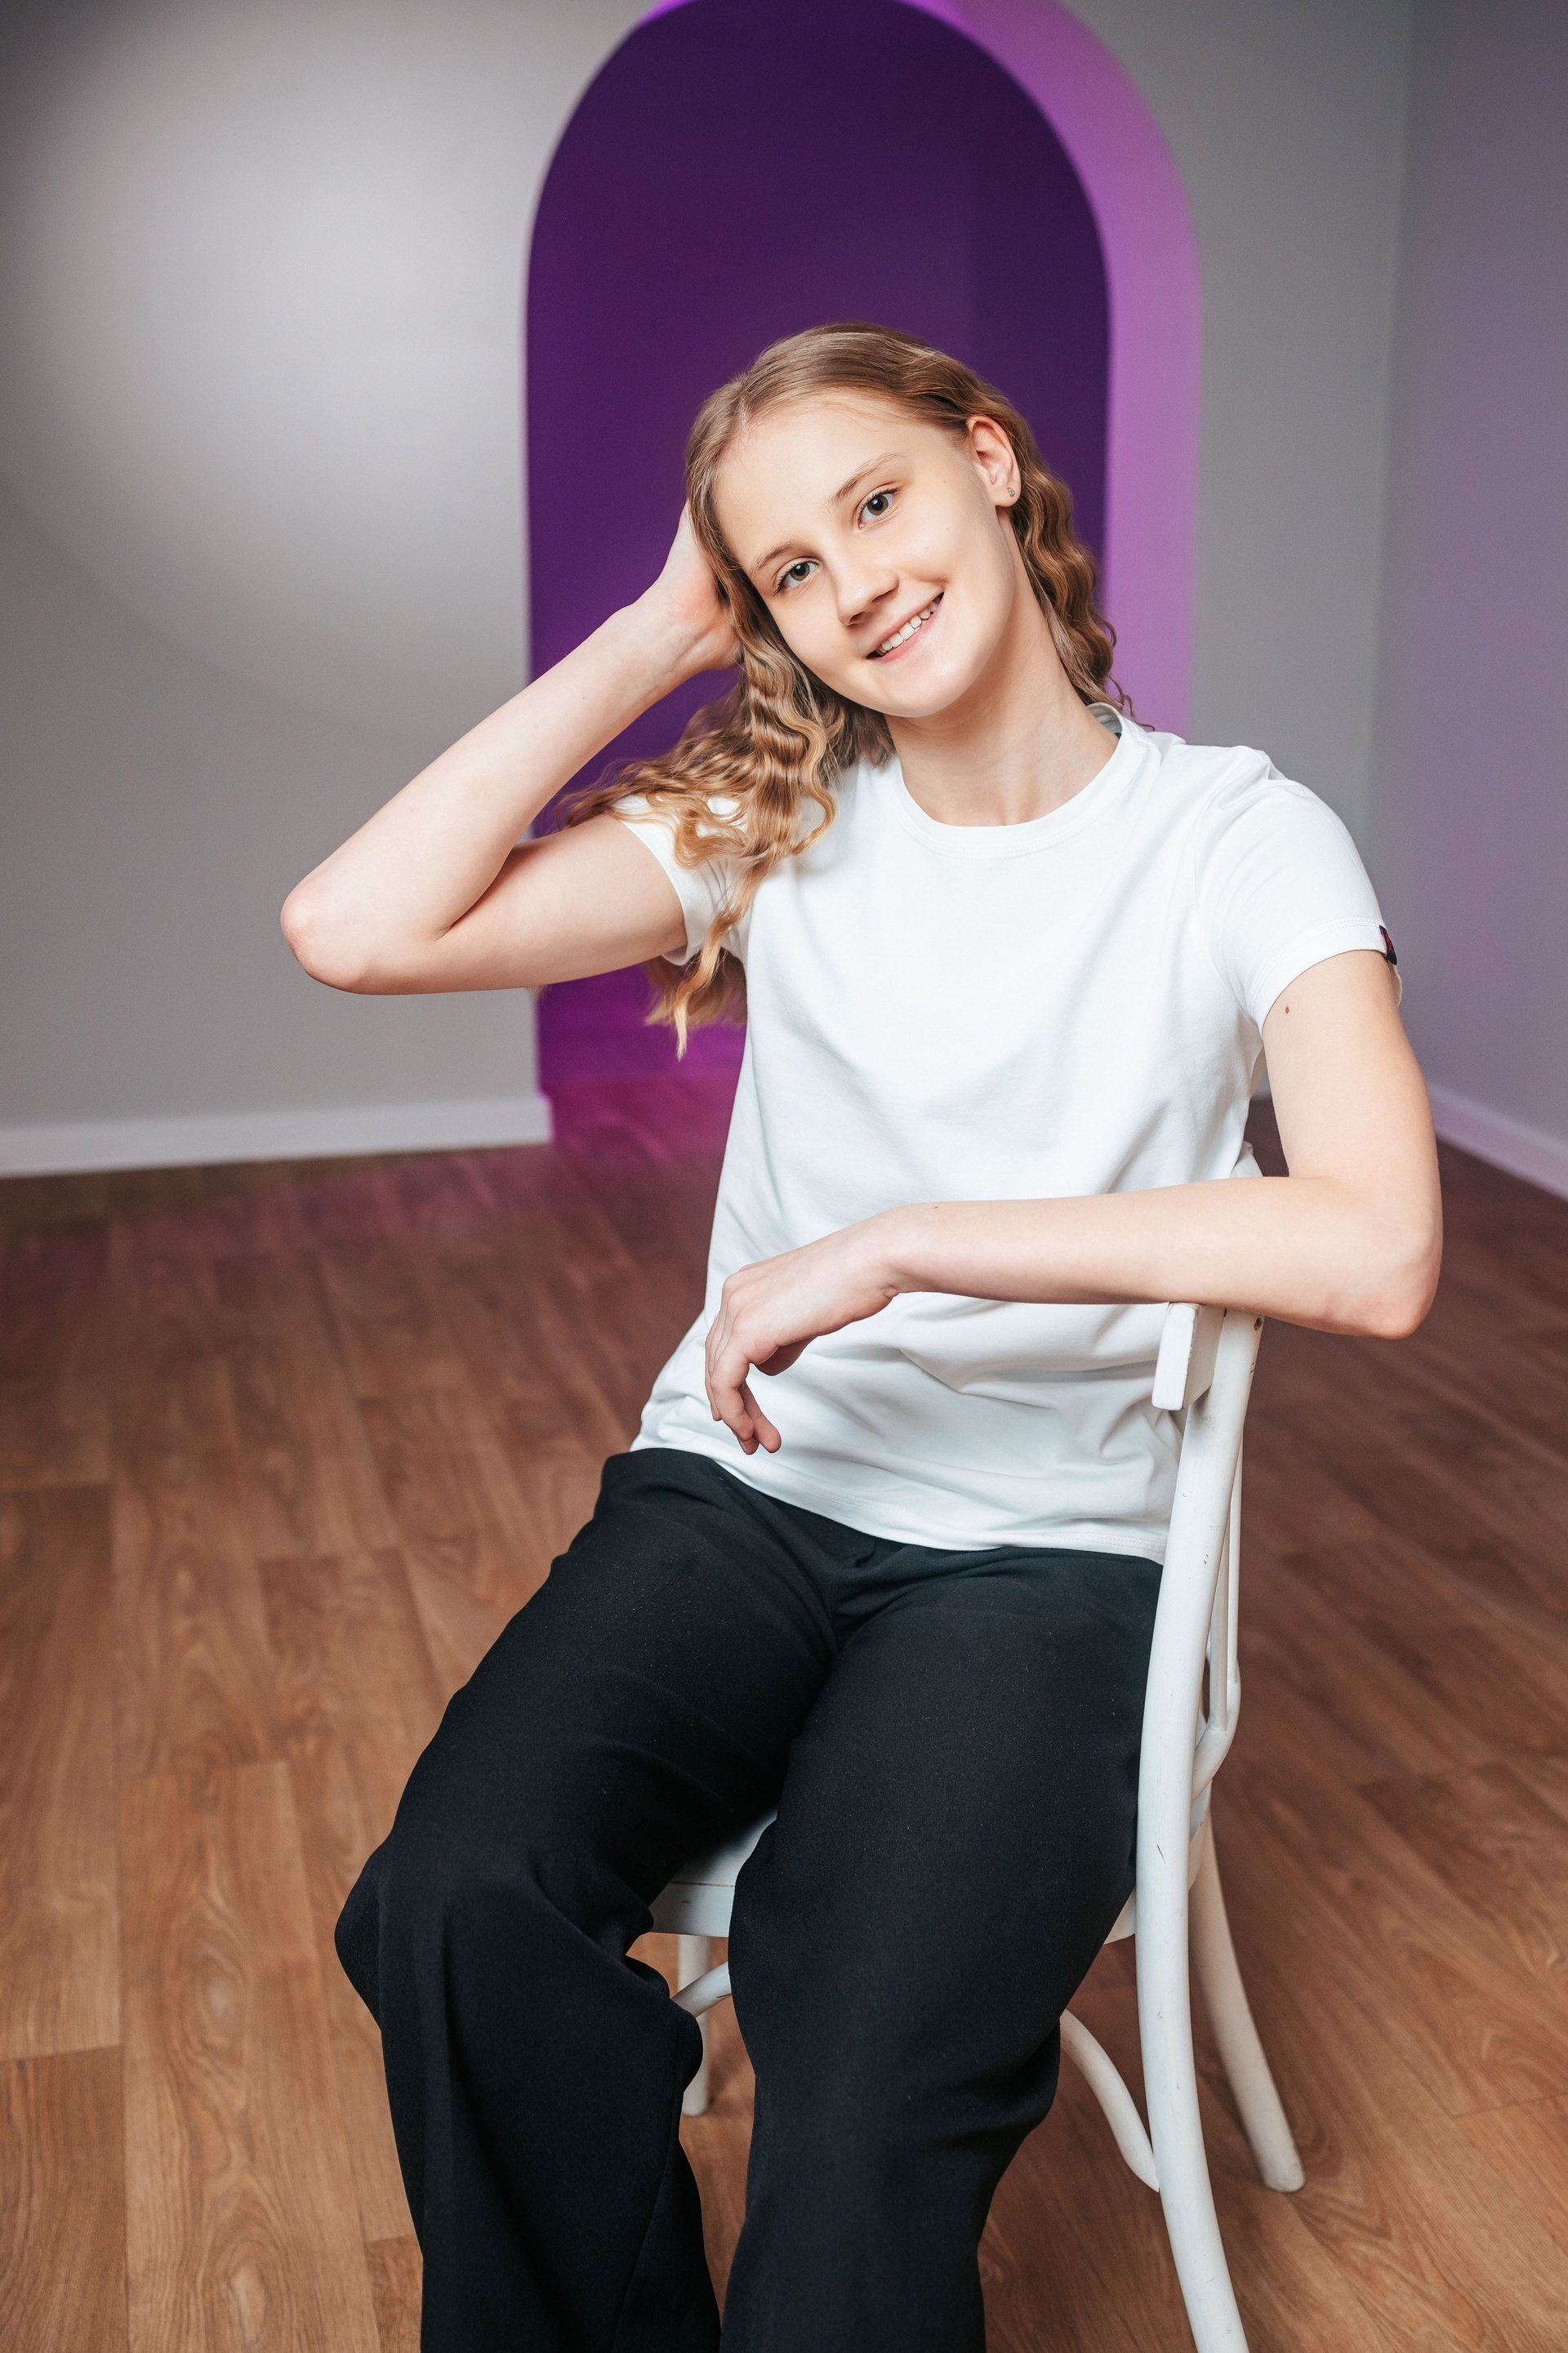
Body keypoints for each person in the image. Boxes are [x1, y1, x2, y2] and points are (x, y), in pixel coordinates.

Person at [282, 323, 1441, 2353]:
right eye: (792, 569)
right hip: (742, 1494)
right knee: (455, 1895)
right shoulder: (779, 817)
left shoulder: (1239, 838)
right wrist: (659, 632)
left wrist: (901, 1250)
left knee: (867, 2063)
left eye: (879, 501)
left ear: (989, 460)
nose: (858, 584)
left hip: (1045, 1558)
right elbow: (353, 929)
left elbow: (1375, 1239)